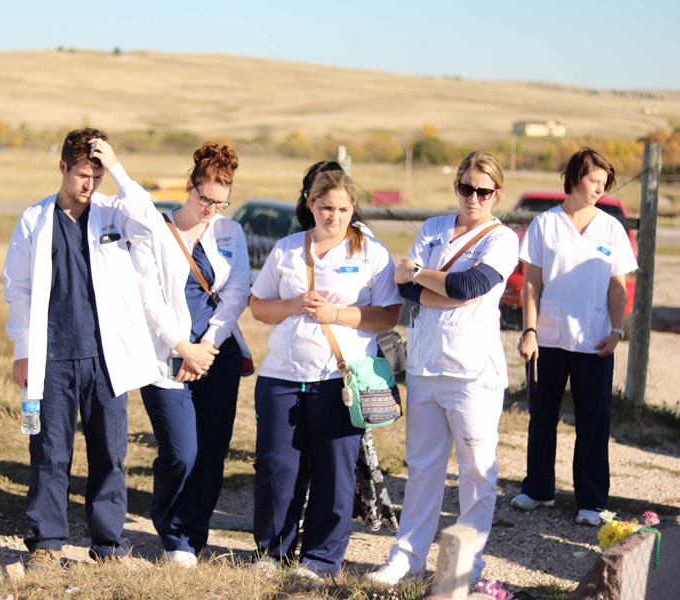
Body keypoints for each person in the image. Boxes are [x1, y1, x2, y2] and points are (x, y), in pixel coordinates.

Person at [2, 128, 160, 571]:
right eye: (83, 174)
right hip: (51, 356)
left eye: (97, 174)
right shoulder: (35, 220)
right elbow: (17, 288)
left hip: (105, 357)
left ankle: (108, 545)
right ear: (62, 168)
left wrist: (119, 171)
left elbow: (150, 224)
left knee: (109, 452)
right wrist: (21, 350)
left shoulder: (115, 211)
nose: (90, 184)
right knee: (50, 451)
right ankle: (47, 544)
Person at [367, 151, 520, 586]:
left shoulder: (502, 239)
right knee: (422, 468)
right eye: (467, 188)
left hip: (473, 373)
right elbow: (403, 284)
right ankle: (406, 557)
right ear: (457, 186)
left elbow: (472, 286)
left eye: (484, 191)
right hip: (426, 367)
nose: (474, 198)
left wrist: (422, 276)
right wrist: (426, 281)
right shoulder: (434, 228)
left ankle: (463, 563)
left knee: (475, 471)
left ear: (496, 194)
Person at [249, 170, 402, 578]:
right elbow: (259, 306)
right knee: (277, 468)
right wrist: (295, 304)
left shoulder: (371, 252)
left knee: (335, 472)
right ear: (310, 204)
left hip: (340, 380)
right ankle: (273, 552)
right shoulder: (285, 250)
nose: (334, 216)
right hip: (280, 378)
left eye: (343, 209)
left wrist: (337, 314)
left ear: (353, 210)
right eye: (326, 207)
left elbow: (389, 313)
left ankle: (320, 559)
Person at [128, 143, 250, 566]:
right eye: (205, 198)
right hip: (168, 354)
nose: (211, 209)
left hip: (217, 353)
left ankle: (190, 537)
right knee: (181, 451)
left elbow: (236, 293)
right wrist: (183, 348)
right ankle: (169, 524)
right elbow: (149, 297)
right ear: (188, 187)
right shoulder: (157, 230)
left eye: (221, 202)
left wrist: (208, 346)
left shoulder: (231, 232)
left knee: (213, 451)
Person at [511, 148, 637, 526]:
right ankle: (538, 490)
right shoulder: (544, 225)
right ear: (574, 177)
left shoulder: (611, 228)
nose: (599, 188)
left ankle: (592, 501)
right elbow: (531, 284)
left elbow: (618, 287)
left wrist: (617, 331)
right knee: (542, 416)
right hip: (547, 339)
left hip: (596, 343)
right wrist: (529, 330)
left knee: (594, 421)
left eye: (604, 184)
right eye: (593, 180)